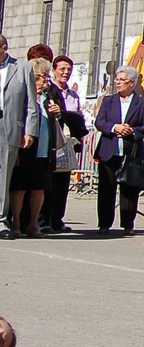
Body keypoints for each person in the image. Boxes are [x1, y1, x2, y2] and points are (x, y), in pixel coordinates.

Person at [91, 65, 144, 234]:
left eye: (122, 80)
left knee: (129, 188)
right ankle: (104, 223)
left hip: (130, 151)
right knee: (107, 188)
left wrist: (132, 131)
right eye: (117, 80)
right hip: (109, 150)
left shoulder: (141, 104)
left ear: (132, 83)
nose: (118, 83)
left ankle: (128, 224)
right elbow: (100, 122)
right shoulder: (108, 101)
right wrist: (115, 128)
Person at [9, 59, 59, 236]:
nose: (47, 81)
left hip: (43, 150)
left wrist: (56, 113)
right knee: (20, 186)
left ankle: (33, 223)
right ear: (33, 77)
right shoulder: (24, 96)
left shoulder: (48, 97)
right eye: (43, 77)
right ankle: (15, 223)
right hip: (26, 147)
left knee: (39, 187)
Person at [41, 55, 85, 233]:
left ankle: (58, 219)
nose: (66, 73)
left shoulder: (72, 94)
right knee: (50, 181)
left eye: (69, 70)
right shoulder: (49, 91)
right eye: (62, 69)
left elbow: (78, 116)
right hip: (53, 140)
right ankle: (45, 219)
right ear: (54, 70)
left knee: (63, 182)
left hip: (68, 142)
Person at [0, 35, 34, 240]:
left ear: (4, 48)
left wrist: (29, 130)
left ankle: (1, 221)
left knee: (4, 175)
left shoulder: (22, 68)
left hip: (8, 125)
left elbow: (30, 103)